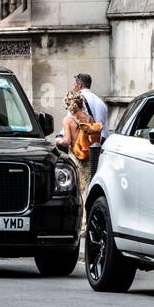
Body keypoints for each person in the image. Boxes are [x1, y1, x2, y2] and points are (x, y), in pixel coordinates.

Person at [54, 90, 102, 234]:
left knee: (78, 191)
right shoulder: (88, 117)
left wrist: (57, 140)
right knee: (87, 188)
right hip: (88, 156)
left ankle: (81, 226)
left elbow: (67, 140)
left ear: (68, 104)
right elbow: (95, 137)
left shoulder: (68, 120)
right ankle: (89, 223)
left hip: (75, 156)